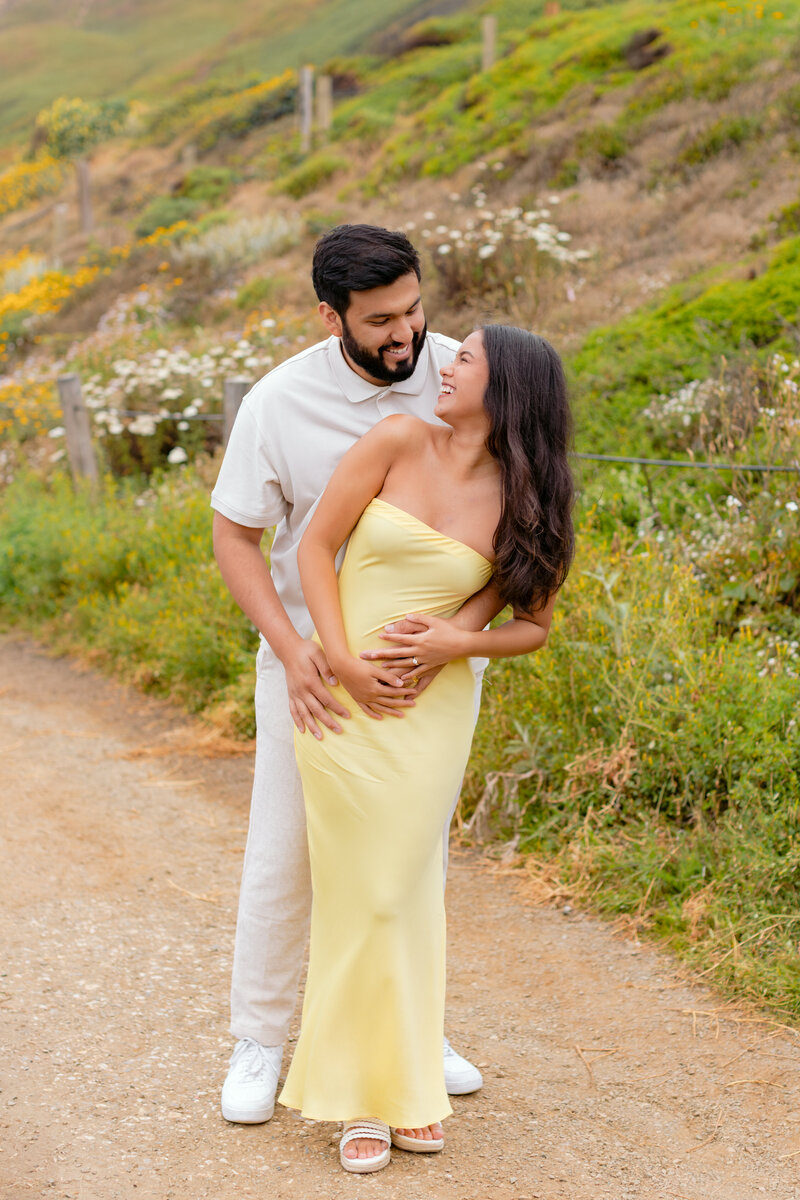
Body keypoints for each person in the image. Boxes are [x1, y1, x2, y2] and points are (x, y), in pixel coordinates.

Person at [211, 224, 498, 1129]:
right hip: (304, 662)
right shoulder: (279, 402)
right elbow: (237, 538)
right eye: (380, 321)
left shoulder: (457, 366)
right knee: (286, 851)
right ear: (331, 314)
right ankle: (259, 1037)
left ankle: (411, 1037)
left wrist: (454, 636)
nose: (407, 334)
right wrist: (298, 654)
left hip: (426, 667)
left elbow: (516, 507)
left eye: (414, 308)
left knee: (412, 853)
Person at [278, 323, 575, 1173]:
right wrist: (338, 661)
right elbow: (315, 547)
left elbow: (532, 627)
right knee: (363, 895)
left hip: (429, 713)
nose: (445, 363)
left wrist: (453, 647)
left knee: (404, 889)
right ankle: (363, 1098)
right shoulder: (398, 439)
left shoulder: (532, 497)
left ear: (509, 388)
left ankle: (402, 1085)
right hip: (342, 707)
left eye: (468, 358)